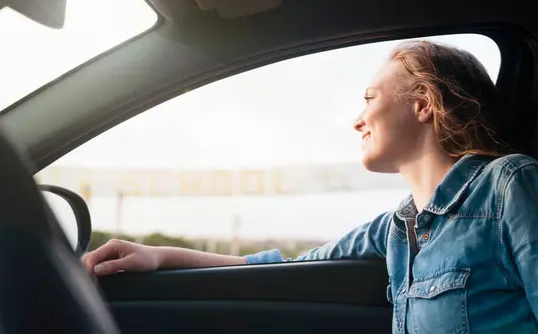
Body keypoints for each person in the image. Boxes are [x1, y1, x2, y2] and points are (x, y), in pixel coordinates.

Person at [82, 40, 538, 333]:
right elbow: (283, 266)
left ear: (422, 104)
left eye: (370, 99)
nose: (357, 120)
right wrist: (159, 256)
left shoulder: (510, 185)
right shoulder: (399, 228)